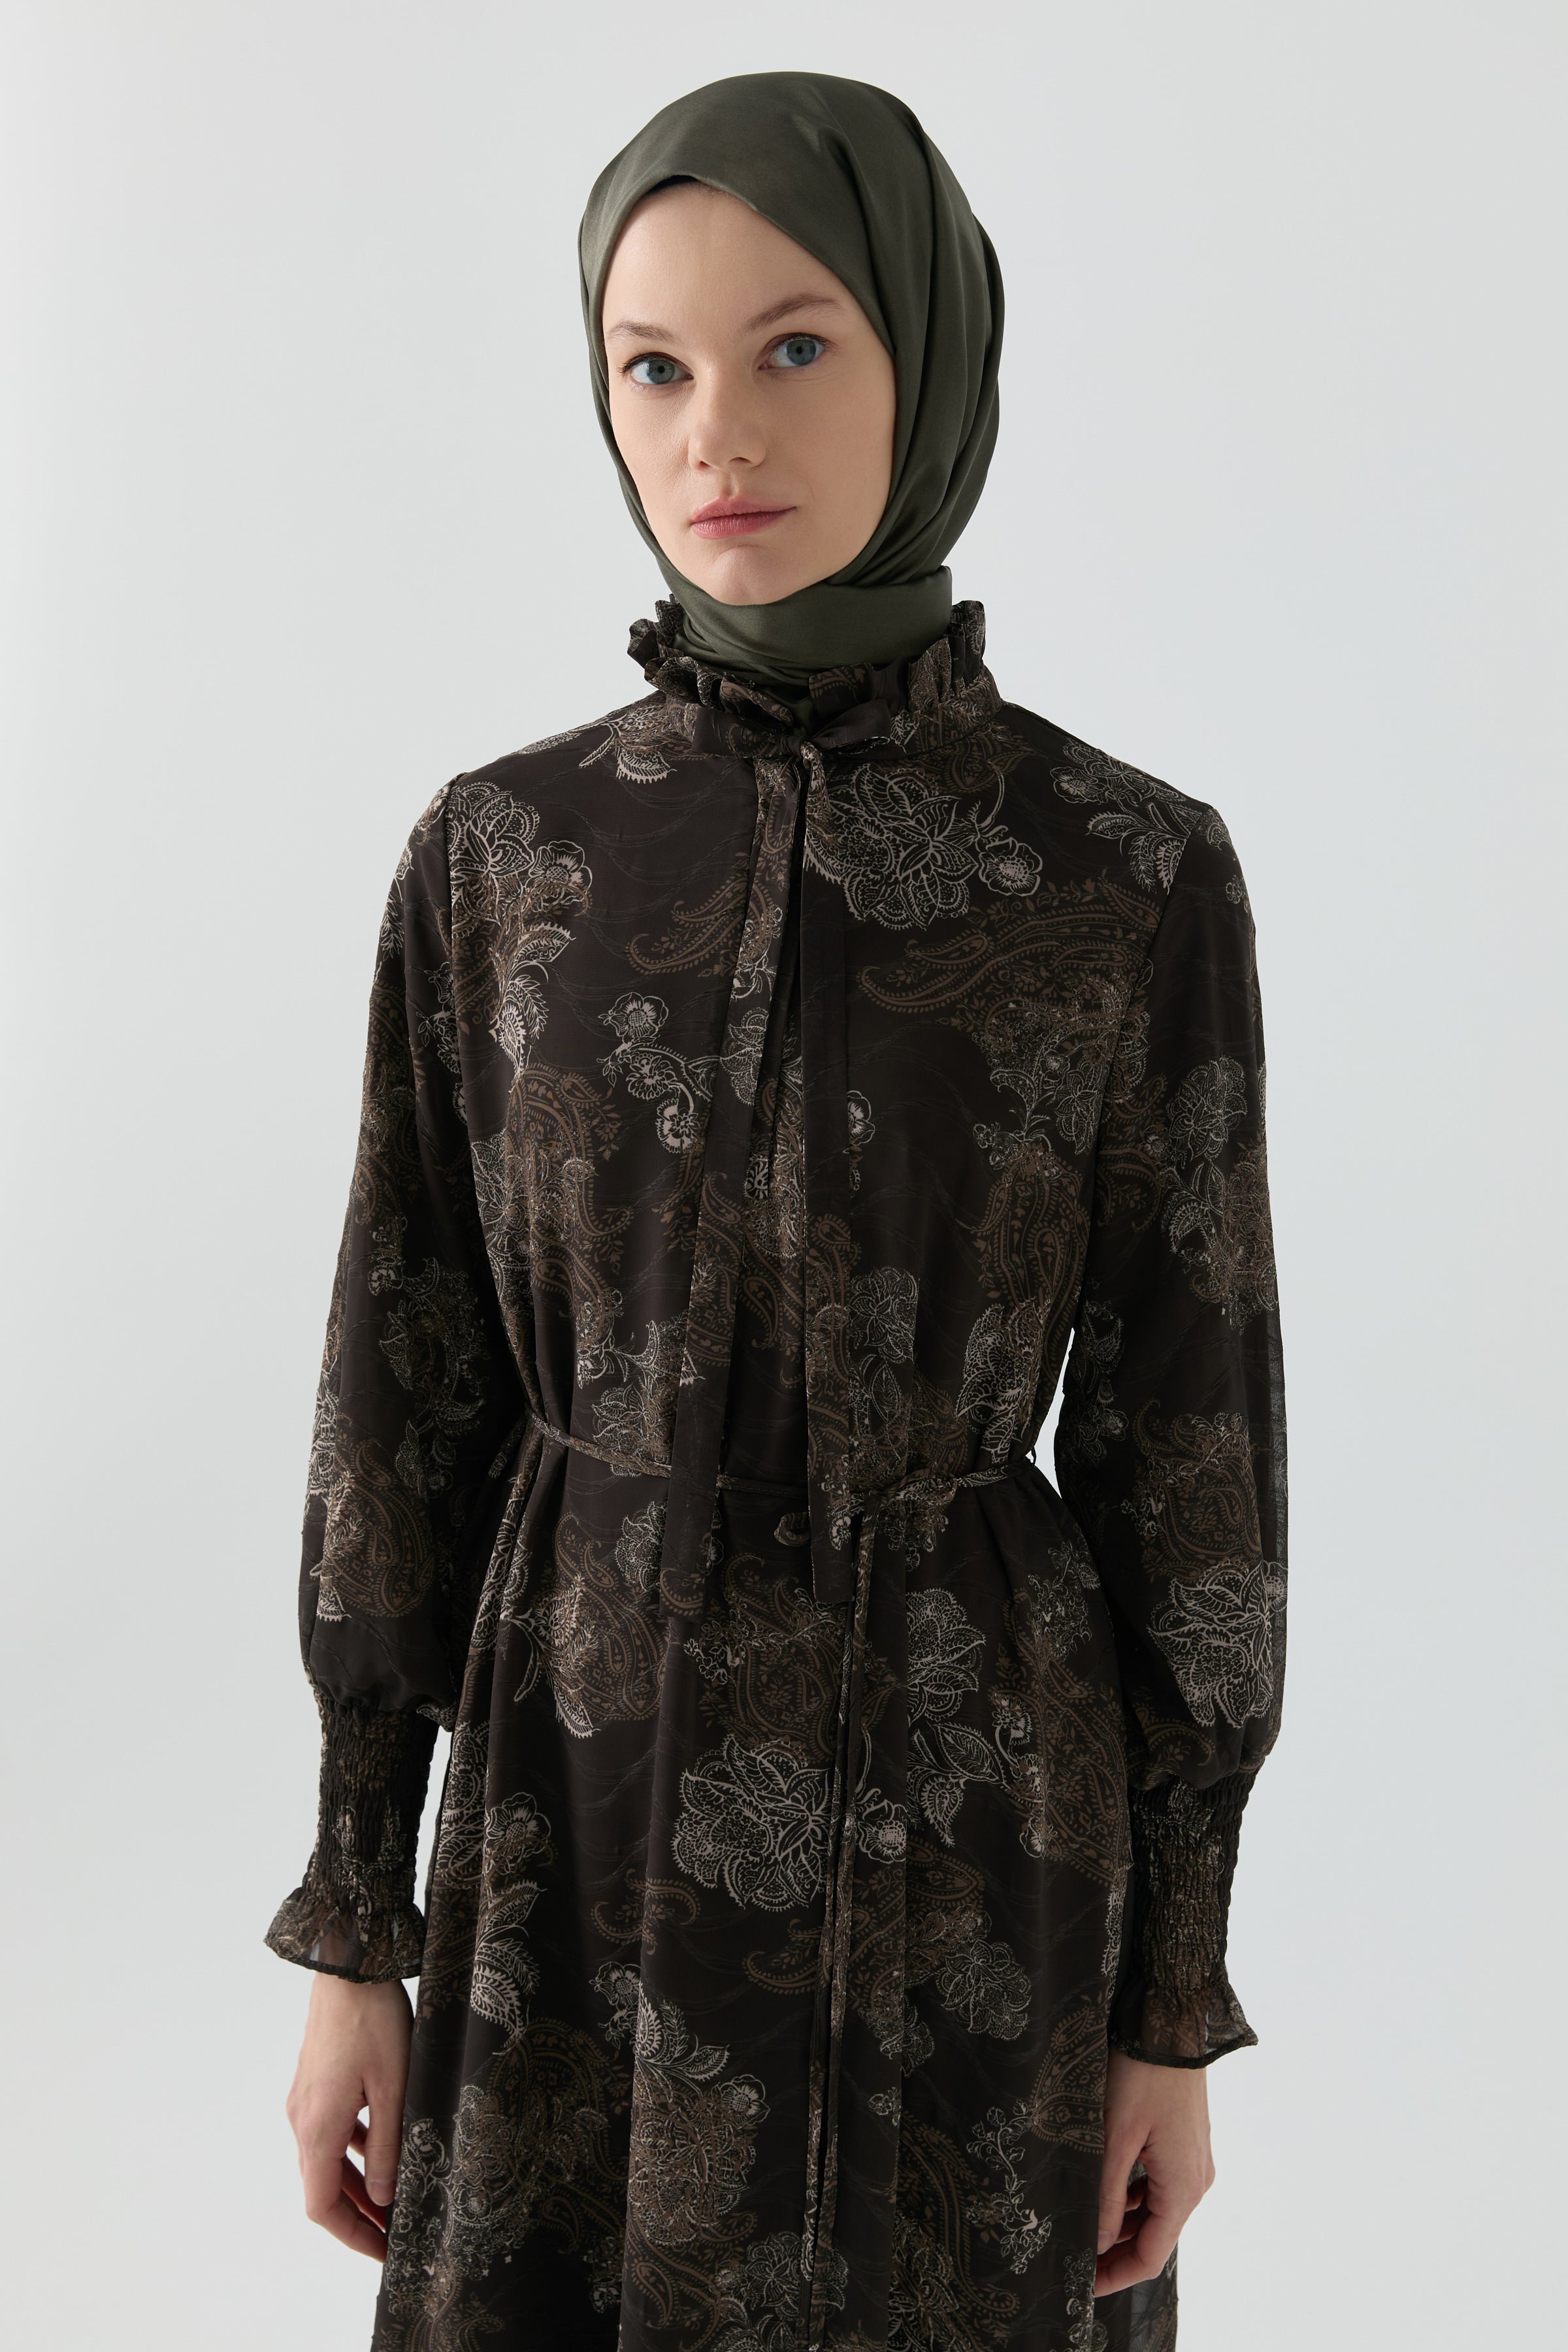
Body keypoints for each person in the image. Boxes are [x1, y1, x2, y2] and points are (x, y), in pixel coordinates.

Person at [269, 70, 1286, 2352]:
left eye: (796, 344)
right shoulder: (504, 861)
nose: (714, 430)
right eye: (652, 366)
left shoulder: (1128, 875)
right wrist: (354, 1926)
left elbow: (1193, 1455)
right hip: (572, 1811)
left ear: (933, 358)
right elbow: (399, 1402)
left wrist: (1172, 2002)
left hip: (978, 1840)